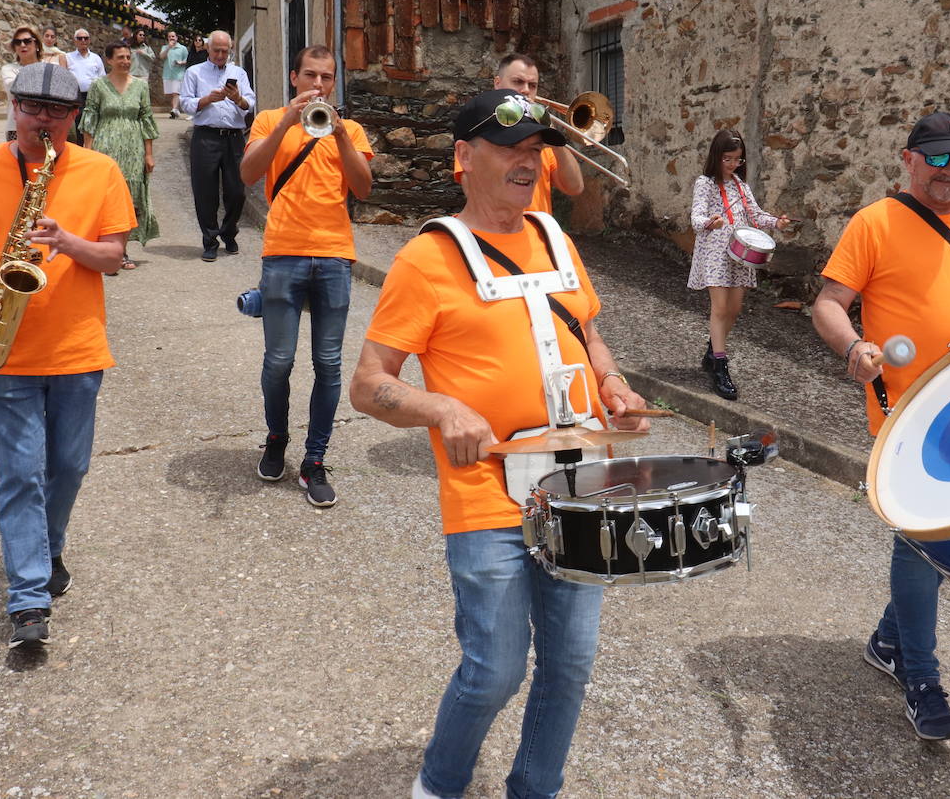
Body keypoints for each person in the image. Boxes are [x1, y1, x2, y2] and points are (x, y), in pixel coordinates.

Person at [349, 89, 649, 799]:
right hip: (487, 495)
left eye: (535, 149)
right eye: (509, 147)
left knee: (571, 663)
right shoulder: (426, 259)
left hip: (579, 488)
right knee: (495, 669)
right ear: (463, 157)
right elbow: (369, 384)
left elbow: (590, 335)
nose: (527, 161)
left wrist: (616, 388)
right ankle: (439, 784)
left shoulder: (554, 236)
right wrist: (441, 406)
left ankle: (534, 789)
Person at [810, 110, 950, 741]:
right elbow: (829, 303)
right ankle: (922, 679)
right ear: (909, 159)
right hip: (906, 413)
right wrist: (854, 349)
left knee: (938, 540)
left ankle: (887, 639)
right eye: (939, 158)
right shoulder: (874, 223)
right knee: (918, 538)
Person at [0, 62, 135, 649]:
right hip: (7, 350)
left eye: (54, 111)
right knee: (21, 473)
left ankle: (49, 551)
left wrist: (68, 241)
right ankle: (27, 597)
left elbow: (114, 257)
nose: (39, 120)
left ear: (74, 116)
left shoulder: (101, 171)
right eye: (29, 107)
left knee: (67, 468)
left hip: (77, 348)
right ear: (12, 107)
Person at [241, 45, 373, 507]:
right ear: (294, 77)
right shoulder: (267, 120)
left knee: (329, 364)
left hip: (335, 255)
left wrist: (338, 136)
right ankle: (277, 437)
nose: (319, 85)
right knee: (278, 360)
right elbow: (249, 173)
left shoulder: (350, 128)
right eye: (311, 76)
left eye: (328, 77)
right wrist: (284, 124)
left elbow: (363, 187)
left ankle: (314, 460)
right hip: (282, 253)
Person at [687, 128, 790, 401]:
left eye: (738, 160)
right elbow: (696, 218)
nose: (734, 164)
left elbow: (755, 215)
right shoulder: (705, 183)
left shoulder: (741, 186)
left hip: (740, 254)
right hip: (715, 253)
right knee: (719, 308)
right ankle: (720, 366)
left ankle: (712, 351)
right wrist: (711, 221)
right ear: (717, 156)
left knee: (734, 310)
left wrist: (776, 222)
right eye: (728, 159)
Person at [452, 53, 584, 215]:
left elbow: (575, 187)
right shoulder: (481, 128)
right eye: (518, 82)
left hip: (538, 236)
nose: (526, 90)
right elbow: (471, 189)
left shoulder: (542, 136)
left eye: (533, 85)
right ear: (497, 84)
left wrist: (555, 140)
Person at [81, 41, 160, 269]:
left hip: (133, 151)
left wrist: (148, 154)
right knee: (105, 200)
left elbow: (146, 118)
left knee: (130, 202)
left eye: (128, 57)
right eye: (120, 57)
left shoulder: (140, 86)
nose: (125, 61)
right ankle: (104, 251)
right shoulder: (98, 85)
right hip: (105, 150)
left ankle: (121, 252)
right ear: (109, 60)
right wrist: (88, 150)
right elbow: (90, 117)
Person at [180, 30, 254, 261]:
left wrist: (237, 99)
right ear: (207, 49)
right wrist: (206, 100)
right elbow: (184, 103)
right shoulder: (194, 72)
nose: (221, 55)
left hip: (233, 137)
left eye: (225, 51)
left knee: (237, 191)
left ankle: (229, 232)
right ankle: (210, 240)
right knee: (205, 191)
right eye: (216, 50)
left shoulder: (238, 73)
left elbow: (250, 103)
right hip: (205, 136)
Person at [0, 26, 44, 142]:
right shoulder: (8, 69)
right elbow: (14, 89)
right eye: (17, 42)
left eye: (27, 41)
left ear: (37, 45)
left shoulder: (49, 68)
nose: (23, 45)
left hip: (44, 125)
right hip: (16, 127)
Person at [160, 31, 190, 119]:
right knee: (171, 94)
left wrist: (181, 63)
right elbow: (161, 56)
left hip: (179, 74)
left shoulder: (182, 48)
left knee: (175, 93)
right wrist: (168, 47)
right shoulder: (165, 47)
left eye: (173, 36)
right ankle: (176, 110)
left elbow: (188, 60)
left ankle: (174, 109)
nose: (171, 38)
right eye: (169, 36)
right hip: (167, 74)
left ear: (177, 38)